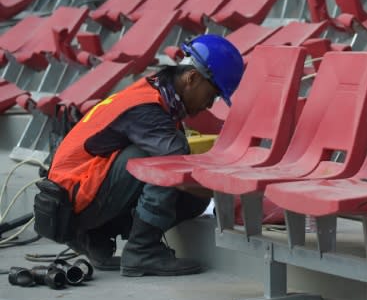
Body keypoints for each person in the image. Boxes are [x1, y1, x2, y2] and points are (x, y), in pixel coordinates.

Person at [41, 34, 244, 277]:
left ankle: (96, 236)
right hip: (73, 202)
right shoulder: (147, 108)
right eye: (212, 95)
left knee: (193, 200)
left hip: (76, 195)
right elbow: (176, 162)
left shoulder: (156, 92)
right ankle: (142, 250)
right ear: (192, 78)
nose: (210, 105)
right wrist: (229, 189)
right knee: (166, 159)